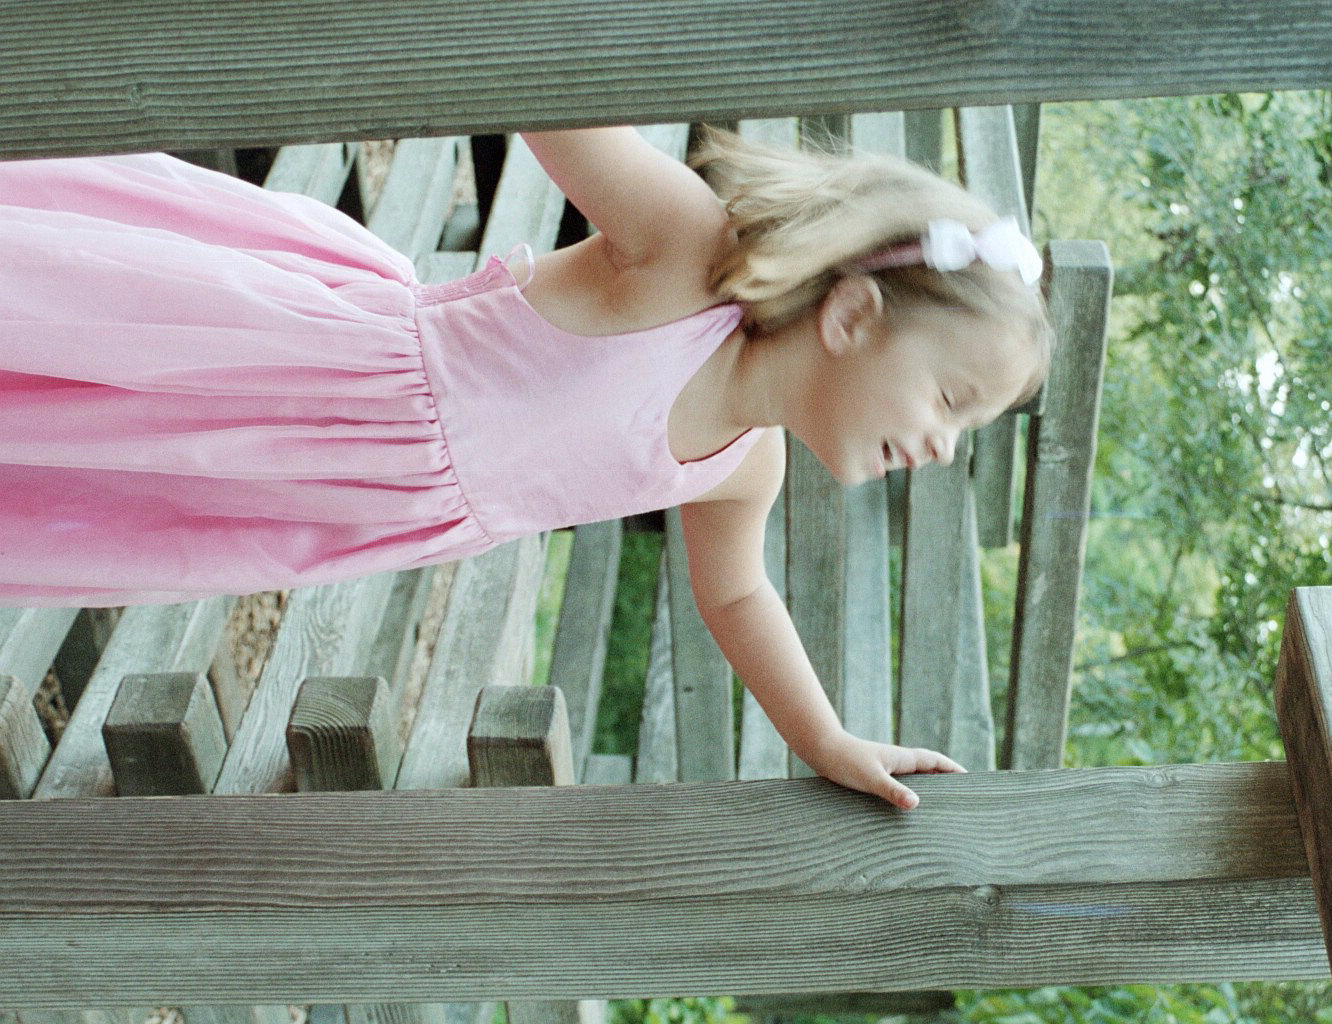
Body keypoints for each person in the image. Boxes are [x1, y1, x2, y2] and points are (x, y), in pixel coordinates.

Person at [0, 126, 1053, 809]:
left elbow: (736, 595)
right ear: (855, 316)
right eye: (951, 399)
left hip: (333, 497)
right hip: (309, 370)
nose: (944, 447)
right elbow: (555, 107)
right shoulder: (687, 255)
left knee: (96, 480)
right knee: (84, 367)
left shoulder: (746, 467)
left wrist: (821, 735)